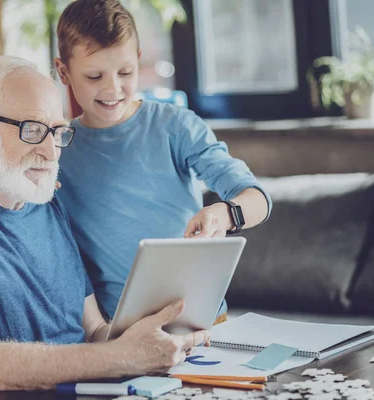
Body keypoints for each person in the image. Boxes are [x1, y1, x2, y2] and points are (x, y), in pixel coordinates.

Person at [0, 55, 210, 400]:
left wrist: (149, 341)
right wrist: (121, 356)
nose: (50, 151)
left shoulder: (45, 205)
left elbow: (93, 331)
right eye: (33, 130)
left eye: (58, 132)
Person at [54, 0, 272, 321]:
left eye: (125, 72)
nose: (112, 88)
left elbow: (258, 199)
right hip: (119, 333)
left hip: (203, 321)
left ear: (138, 61)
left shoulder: (176, 126)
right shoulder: (57, 150)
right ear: (64, 72)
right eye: (94, 76)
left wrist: (224, 214)